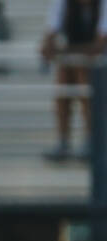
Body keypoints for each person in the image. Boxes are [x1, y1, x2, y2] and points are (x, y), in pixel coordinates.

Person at [40, 0, 107, 160]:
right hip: (81, 62)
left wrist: (63, 51)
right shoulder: (63, 3)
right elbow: (49, 38)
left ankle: (90, 138)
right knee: (68, 74)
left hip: (100, 66)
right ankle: (65, 140)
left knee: (82, 73)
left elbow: (99, 47)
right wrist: (50, 46)